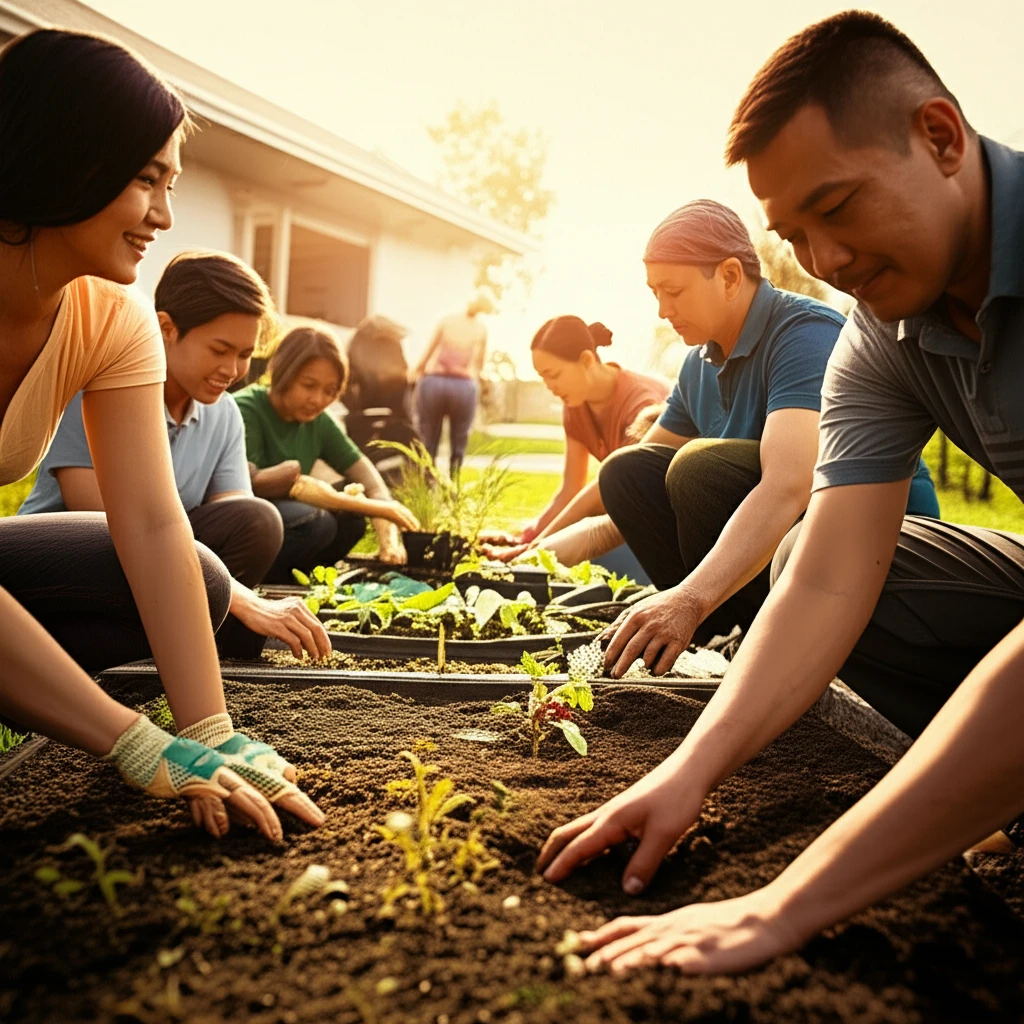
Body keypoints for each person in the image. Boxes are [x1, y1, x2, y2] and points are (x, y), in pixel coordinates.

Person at [538, 10, 1024, 976]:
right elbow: (830, 578)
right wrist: (689, 775)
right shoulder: (881, 332)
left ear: (940, 136)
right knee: (808, 553)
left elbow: (782, 482)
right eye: (797, 234)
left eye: (837, 208)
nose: (828, 260)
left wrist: (788, 903)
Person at [0, 28, 322, 840]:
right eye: (147, 179)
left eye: (170, 183)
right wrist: (132, 741)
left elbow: (148, 524)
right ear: (65, 156)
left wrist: (208, 730)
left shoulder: (112, 319)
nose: (164, 215)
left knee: (207, 582)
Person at [599, 200, 938, 674]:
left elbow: (790, 484)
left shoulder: (805, 332)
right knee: (626, 472)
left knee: (699, 469)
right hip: (779, 550)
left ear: (731, 277)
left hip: (882, 549)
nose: (662, 310)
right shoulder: (701, 361)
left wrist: (690, 598)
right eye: (655, 293)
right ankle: (720, 637)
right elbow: (634, 471)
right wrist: (536, 544)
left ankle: (753, 636)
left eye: (672, 291)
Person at [18, 250, 331, 663]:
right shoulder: (97, 388)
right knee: (222, 606)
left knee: (259, 521)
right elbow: (103, 519)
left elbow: (238, 518)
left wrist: (238, 601)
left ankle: (191, 651)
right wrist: (239, 597)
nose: (233, 369)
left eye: (243, 355)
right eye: (219, 349)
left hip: (156, 557)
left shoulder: (223, 414)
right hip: (72, 560)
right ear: (166, 328)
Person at [484, 316, 668, 581]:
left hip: (654, 528)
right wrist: (526, 537)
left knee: (567, 565)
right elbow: (571, 487)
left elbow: (601, 495)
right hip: (617, 518)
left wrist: (536, 547)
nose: (549, 387)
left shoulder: (642, 402)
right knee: (552, 559)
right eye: (542, 378)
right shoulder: (575, 406)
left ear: (587, 360)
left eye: (554, 375)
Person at [233, 325, 419, 581]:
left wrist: (389, 539)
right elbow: (253, 483)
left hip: (289, 517)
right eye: (309, 385)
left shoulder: (319, 421)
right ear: (281, 372)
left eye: (329, 391)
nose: (318, 399)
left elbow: (370, 480)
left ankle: (303, 579)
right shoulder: (245, 410)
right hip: (249, 521)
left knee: (351, 521)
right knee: (317, 522)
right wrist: (371, 506)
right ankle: (262, 581)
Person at [412, 292, 492, 476]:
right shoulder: (481, 329)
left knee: (429, 437)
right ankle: (454, 481)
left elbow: (429, 351)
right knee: (459, 438)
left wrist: (418, 370)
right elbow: (479, 363)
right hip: (463, 387)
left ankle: (428, 479)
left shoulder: (447, 319)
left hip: (434, 382)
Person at [343, 314, 421, 481]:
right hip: (393, 418)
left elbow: (348, 382)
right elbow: (404, 374)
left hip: (360, 419)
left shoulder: (356, 344)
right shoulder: (392, 348)